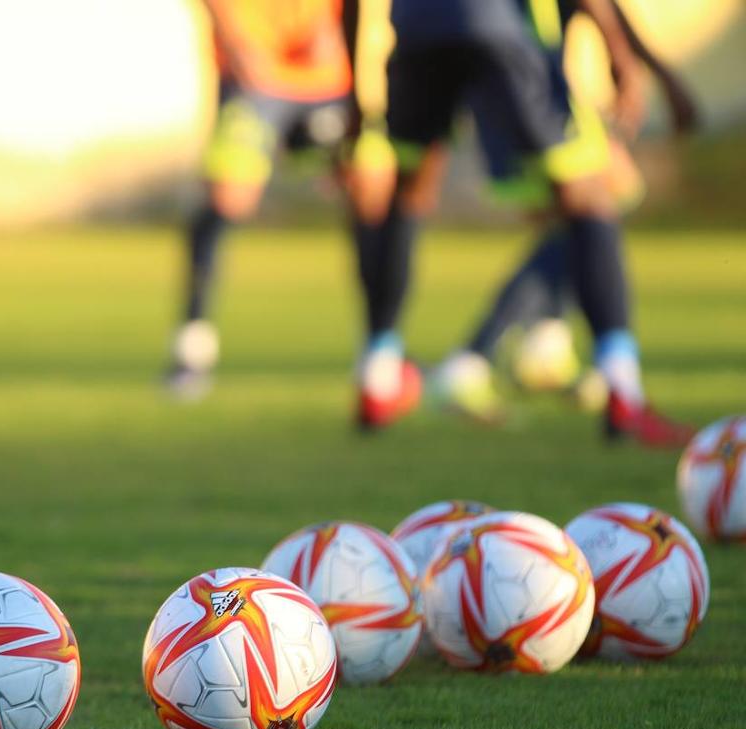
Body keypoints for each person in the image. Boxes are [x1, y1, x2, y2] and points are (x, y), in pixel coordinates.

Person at [346, 0, 691, 446]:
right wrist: (623, 60)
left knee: (409, 191)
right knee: (591, 199)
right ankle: (623, 390)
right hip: (496, 28)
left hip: (416, 29)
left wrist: (355, 87)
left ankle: (377, 376)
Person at [165, 0, 357, 400]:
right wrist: (237, 44)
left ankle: (381, 351)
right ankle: (192, 346)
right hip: (255, 77)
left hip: (328, 79)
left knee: (372, 193)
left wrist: (342, 34)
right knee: (227, 201)